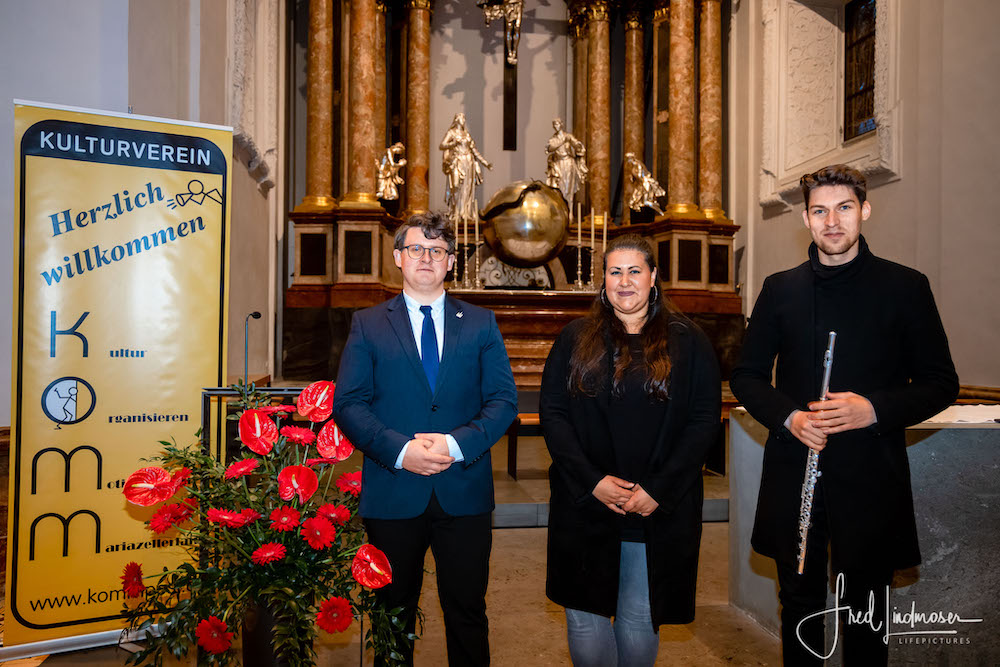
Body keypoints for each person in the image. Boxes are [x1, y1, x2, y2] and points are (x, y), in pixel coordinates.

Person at [730, 164, 959, 665]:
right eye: (819, 211)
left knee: (865, 615)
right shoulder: (779, 289)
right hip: (797, 472)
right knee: (801, 609)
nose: (832, 221)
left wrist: (871, 409)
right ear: (806, 219)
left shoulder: (906, 287)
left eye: (844, 208)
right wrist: (790, 418)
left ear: (864, 210)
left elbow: (942, 383)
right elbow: (745, 376)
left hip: (872, 474)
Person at [333, 211, 517, 666]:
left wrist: (455, 446)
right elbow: (349, 403)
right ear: (398, 257)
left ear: (451, 262)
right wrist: (402, 450)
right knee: (391, 616)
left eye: (437, 251)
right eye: (416, 248)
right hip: (394, 493)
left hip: (465, 492)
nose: (426, 258)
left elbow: (502, 401)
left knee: (468, 612)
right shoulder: (368, 323)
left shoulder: (480, 323)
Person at [539, 234, 721, 667]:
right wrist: (593, 482)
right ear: (603, 280)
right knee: (584, 620)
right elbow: (554, 414)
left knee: (639, 619)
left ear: (653, 277)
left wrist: (657, 489)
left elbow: (702, 421)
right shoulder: (574, 337)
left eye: (634, 271)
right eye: (615, 271)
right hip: (585, 500)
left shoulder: (689, 341)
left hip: (654, 507)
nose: (624, 281)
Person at [440, 112, 492, 225]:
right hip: (457, 161)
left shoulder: (467, 135)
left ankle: (465, 212)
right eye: (461, 117)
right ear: (456, 119)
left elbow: (475, 151)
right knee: (456, 186)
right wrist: (453, 143)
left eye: (464, 117)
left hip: (468, 162)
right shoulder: (451, 133)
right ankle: (455, 212)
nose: (463, 119)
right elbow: (442, 145)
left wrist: (485, 163)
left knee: (467, 188)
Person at [545, 118, 588, 209]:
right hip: (558, 164)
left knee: (569, 187)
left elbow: (577, 145)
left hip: (568, 163)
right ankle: (562, 210)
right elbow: (550, 148)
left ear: (561, 124)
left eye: (557, 124)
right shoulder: (553, 139)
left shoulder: (568, 136)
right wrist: (563, 141)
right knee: (559, 187)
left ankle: (570, 211)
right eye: (554, 125)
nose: (556, 126)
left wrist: (577, 146)